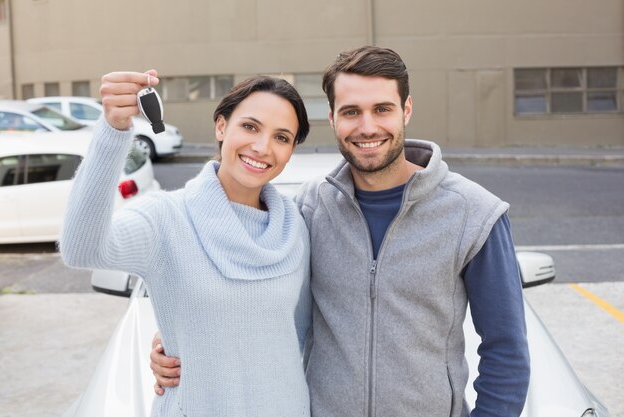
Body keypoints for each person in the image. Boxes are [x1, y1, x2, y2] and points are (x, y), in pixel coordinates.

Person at [151, 46, 530, 417]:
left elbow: (506, 352)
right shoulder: (307, 209)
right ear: (332, 118)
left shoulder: (475, 214)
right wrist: (177, 338)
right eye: (351, 112)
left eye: (382, 109)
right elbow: (249, 299)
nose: (367, 127)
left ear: (406, 110)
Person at [60, 71, 313, 416]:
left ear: (291, 150)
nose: (262, 147)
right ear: (221, 127)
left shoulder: (295, 227)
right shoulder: (166, 218)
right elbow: (81, 249)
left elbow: (296, 338)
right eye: (250, 127)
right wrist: (114, 130)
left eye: (281, 137)